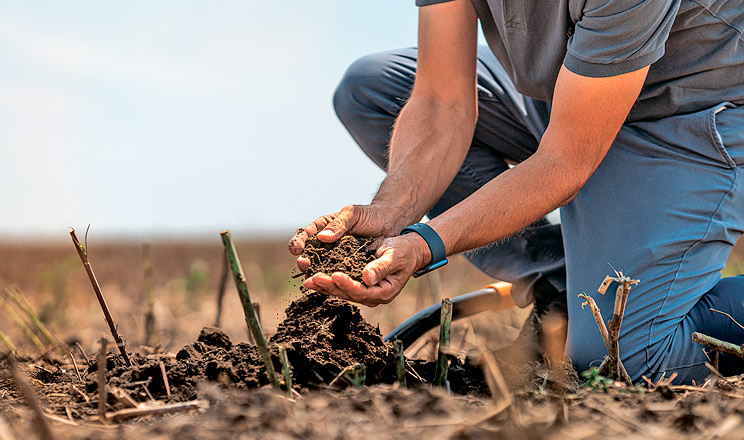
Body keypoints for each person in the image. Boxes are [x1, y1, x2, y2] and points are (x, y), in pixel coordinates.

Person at [288, 0, 744, 384]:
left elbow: (566, 160)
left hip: (687, 113)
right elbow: (441, 100)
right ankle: (561, 289)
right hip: (573, 92)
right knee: (373, 89)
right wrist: (390, 210)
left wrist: (426, 243)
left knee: (626, 359)